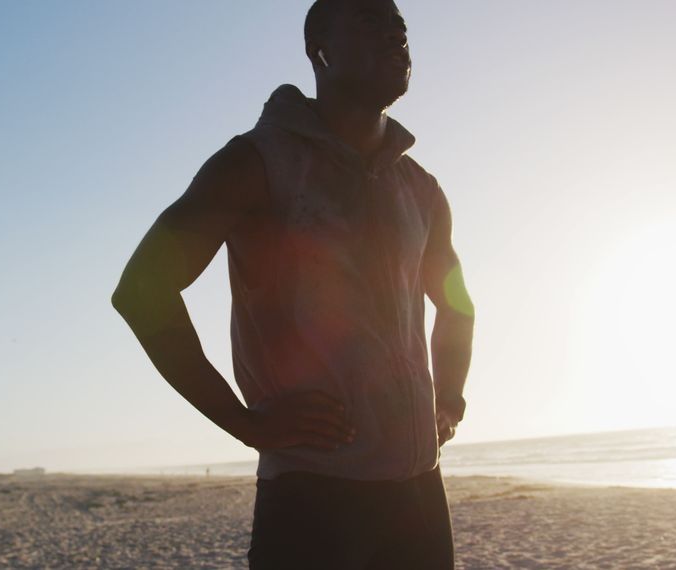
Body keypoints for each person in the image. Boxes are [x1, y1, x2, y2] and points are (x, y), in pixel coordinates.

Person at [112, 0, 474, 567]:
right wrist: (243, 423)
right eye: (371, 21)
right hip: (313, 496)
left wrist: (448, 398)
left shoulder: (420, 187)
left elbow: (457, 306)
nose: (395, 36)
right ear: (319, 49)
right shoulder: (255, 164)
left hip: (420, 498)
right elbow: (141, 289)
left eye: (400, 27)